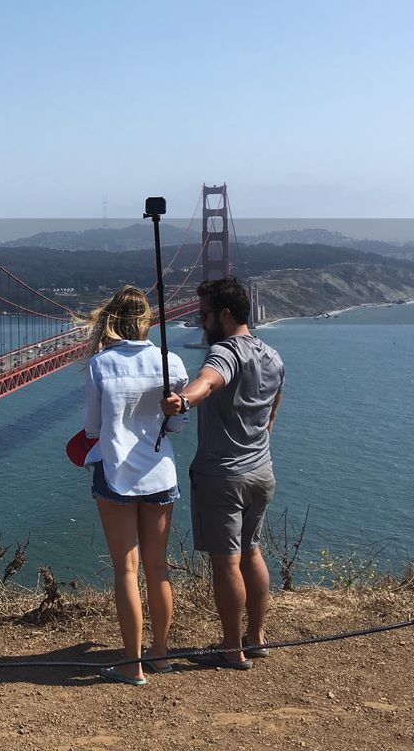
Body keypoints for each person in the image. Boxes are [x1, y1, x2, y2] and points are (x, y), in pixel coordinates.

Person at [163, 277, 284, 670]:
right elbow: (273, 406)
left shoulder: (224, 352)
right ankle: (257, 638)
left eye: (204, 314)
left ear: (225, 314)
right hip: (261, 471)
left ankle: (232, 648)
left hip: (223, 476)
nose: (200, 321)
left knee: (227, 562)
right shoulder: (272, 355)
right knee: (252, 552)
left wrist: (182, 401)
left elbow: (208, 382)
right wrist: (260, 433)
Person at [82, 285, 189, 685]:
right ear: (146, 320)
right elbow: (178, 422)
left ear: (111, 319)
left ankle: (133, 664)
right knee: (158, 569)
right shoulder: (171, 362)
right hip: (161, 474)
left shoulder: (100, 365)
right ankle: (160, 655)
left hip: (115, 477)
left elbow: (92, 428)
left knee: (127, 571)